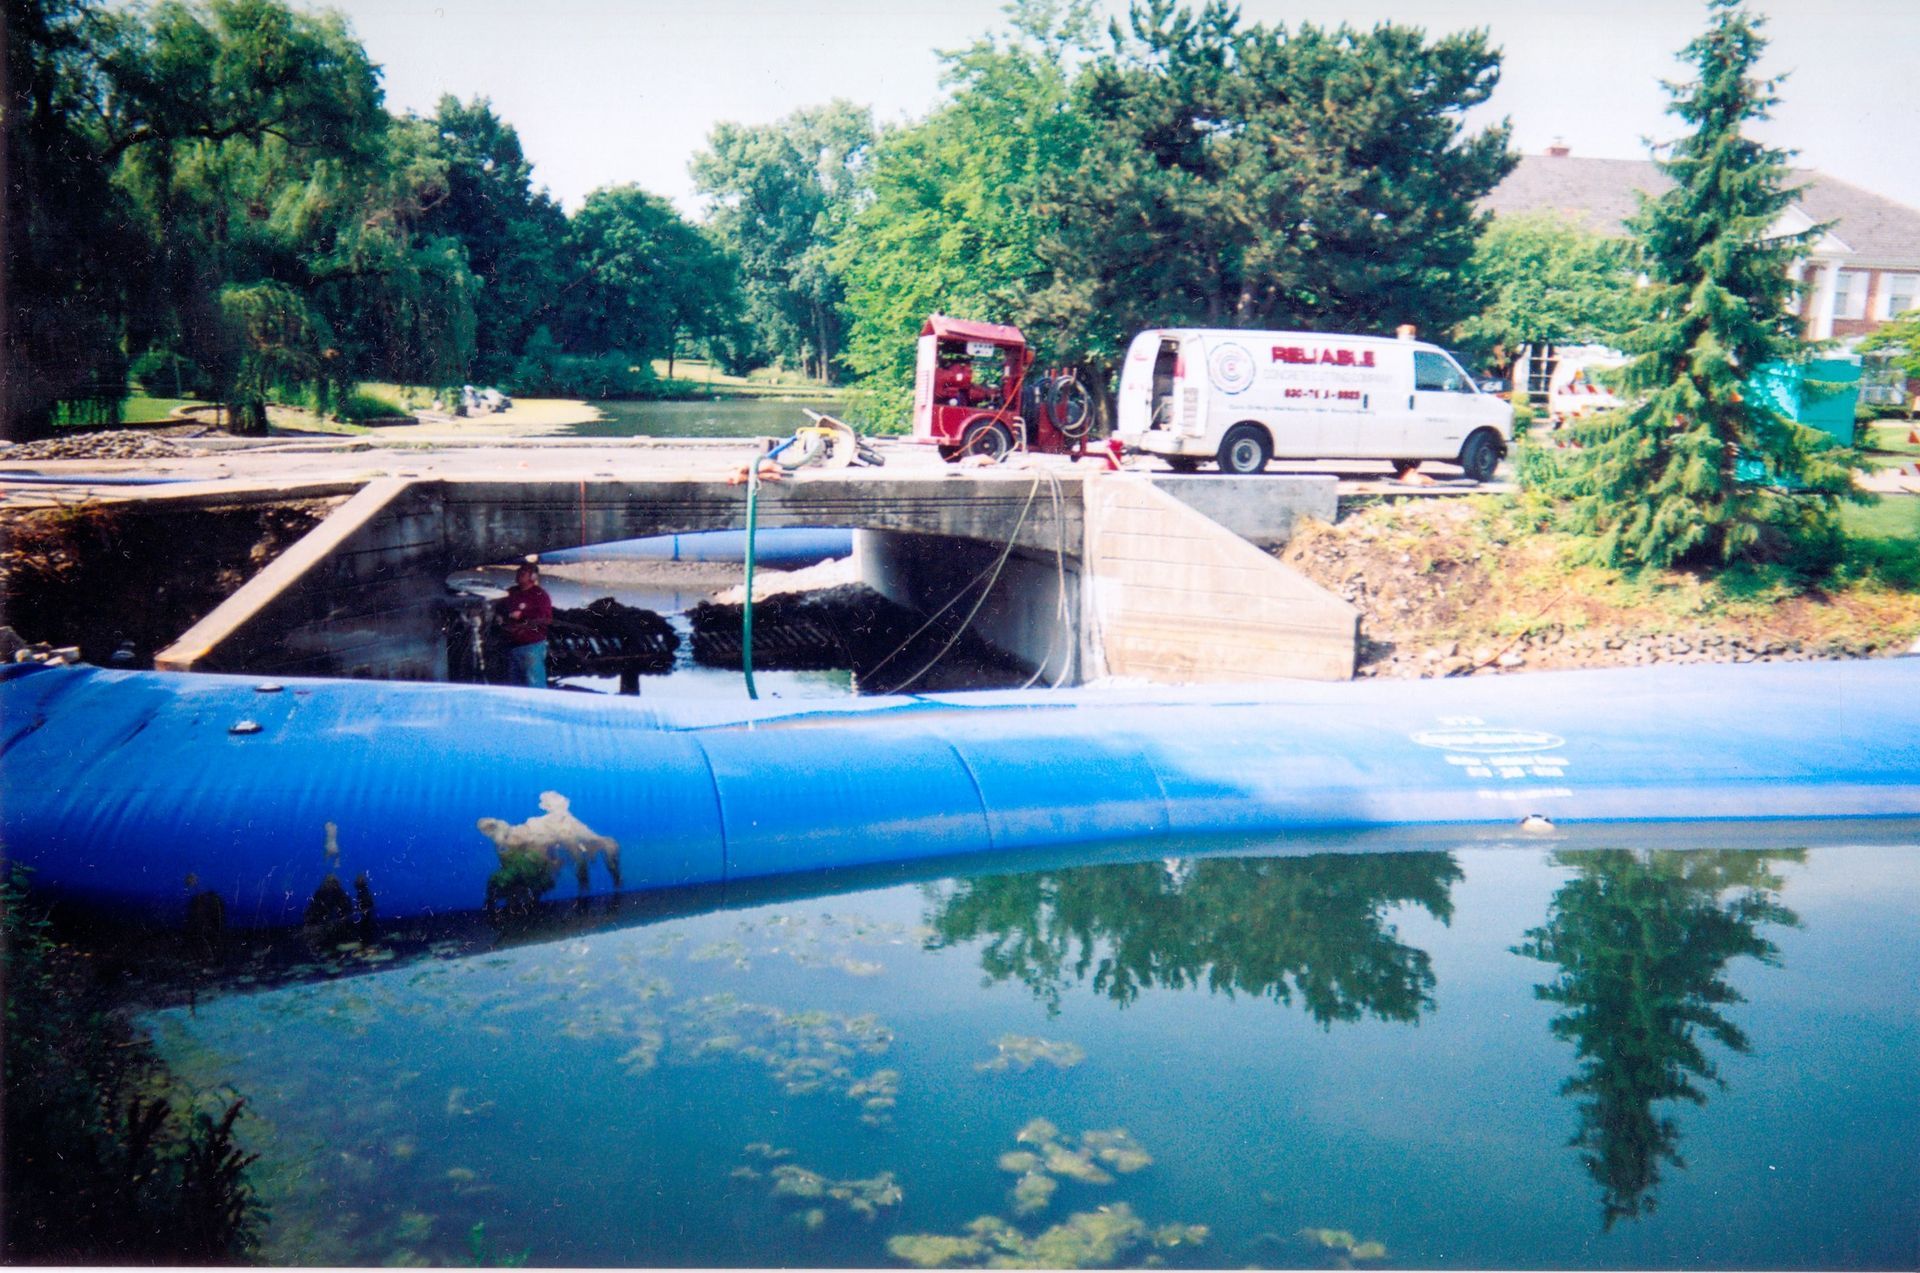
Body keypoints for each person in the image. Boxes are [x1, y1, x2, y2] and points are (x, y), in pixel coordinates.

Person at [494, 562, 553, 688]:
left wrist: (523, 615)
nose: (519, 575)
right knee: (515, 684)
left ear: (533, 577)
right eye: (518, 572)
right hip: (512, 645)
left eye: (523, 573)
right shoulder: (511, 592)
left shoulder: (540, 595)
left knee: (534, 683)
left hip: (531, 646)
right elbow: (499, 608)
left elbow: (545, 619)